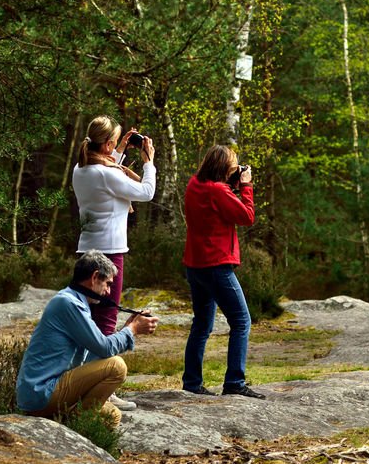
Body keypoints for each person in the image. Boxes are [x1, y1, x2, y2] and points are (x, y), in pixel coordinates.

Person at [16, 250, 158, 427]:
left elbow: (94, 354)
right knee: (117, 367)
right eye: (107, 284)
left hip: (49, 389)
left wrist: (127, 327)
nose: (108, 291)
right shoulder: (68, 303)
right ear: (94, 277)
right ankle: (78, 424)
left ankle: (69, 421)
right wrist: (133, 329)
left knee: (111, 415)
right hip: (43, 392)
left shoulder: (75, 302)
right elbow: (104, 348)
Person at [72, 115, 155, 410]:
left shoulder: (80, 169)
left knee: (87, 319)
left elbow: (107, 174)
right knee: (106, 321)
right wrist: (148, 161)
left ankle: (81, 379)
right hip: (110, 253)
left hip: (86, 251)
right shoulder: (108, 174)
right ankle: (102, 388)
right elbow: (146, 192)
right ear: (106, 145)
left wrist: (118, 149)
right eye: (114, 142)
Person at [181, 145, 263, 399]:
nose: (236, 166)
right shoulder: (218, 190)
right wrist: (246, 186)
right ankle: (234, 382)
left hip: (194, 265)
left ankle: (192, 383)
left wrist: (233, 185)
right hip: (216, 266)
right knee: (241, 321)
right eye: (233, 163)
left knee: (202, 325)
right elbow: (246, 216)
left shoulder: (195, 183)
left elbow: (220, 205)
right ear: (222, 168)